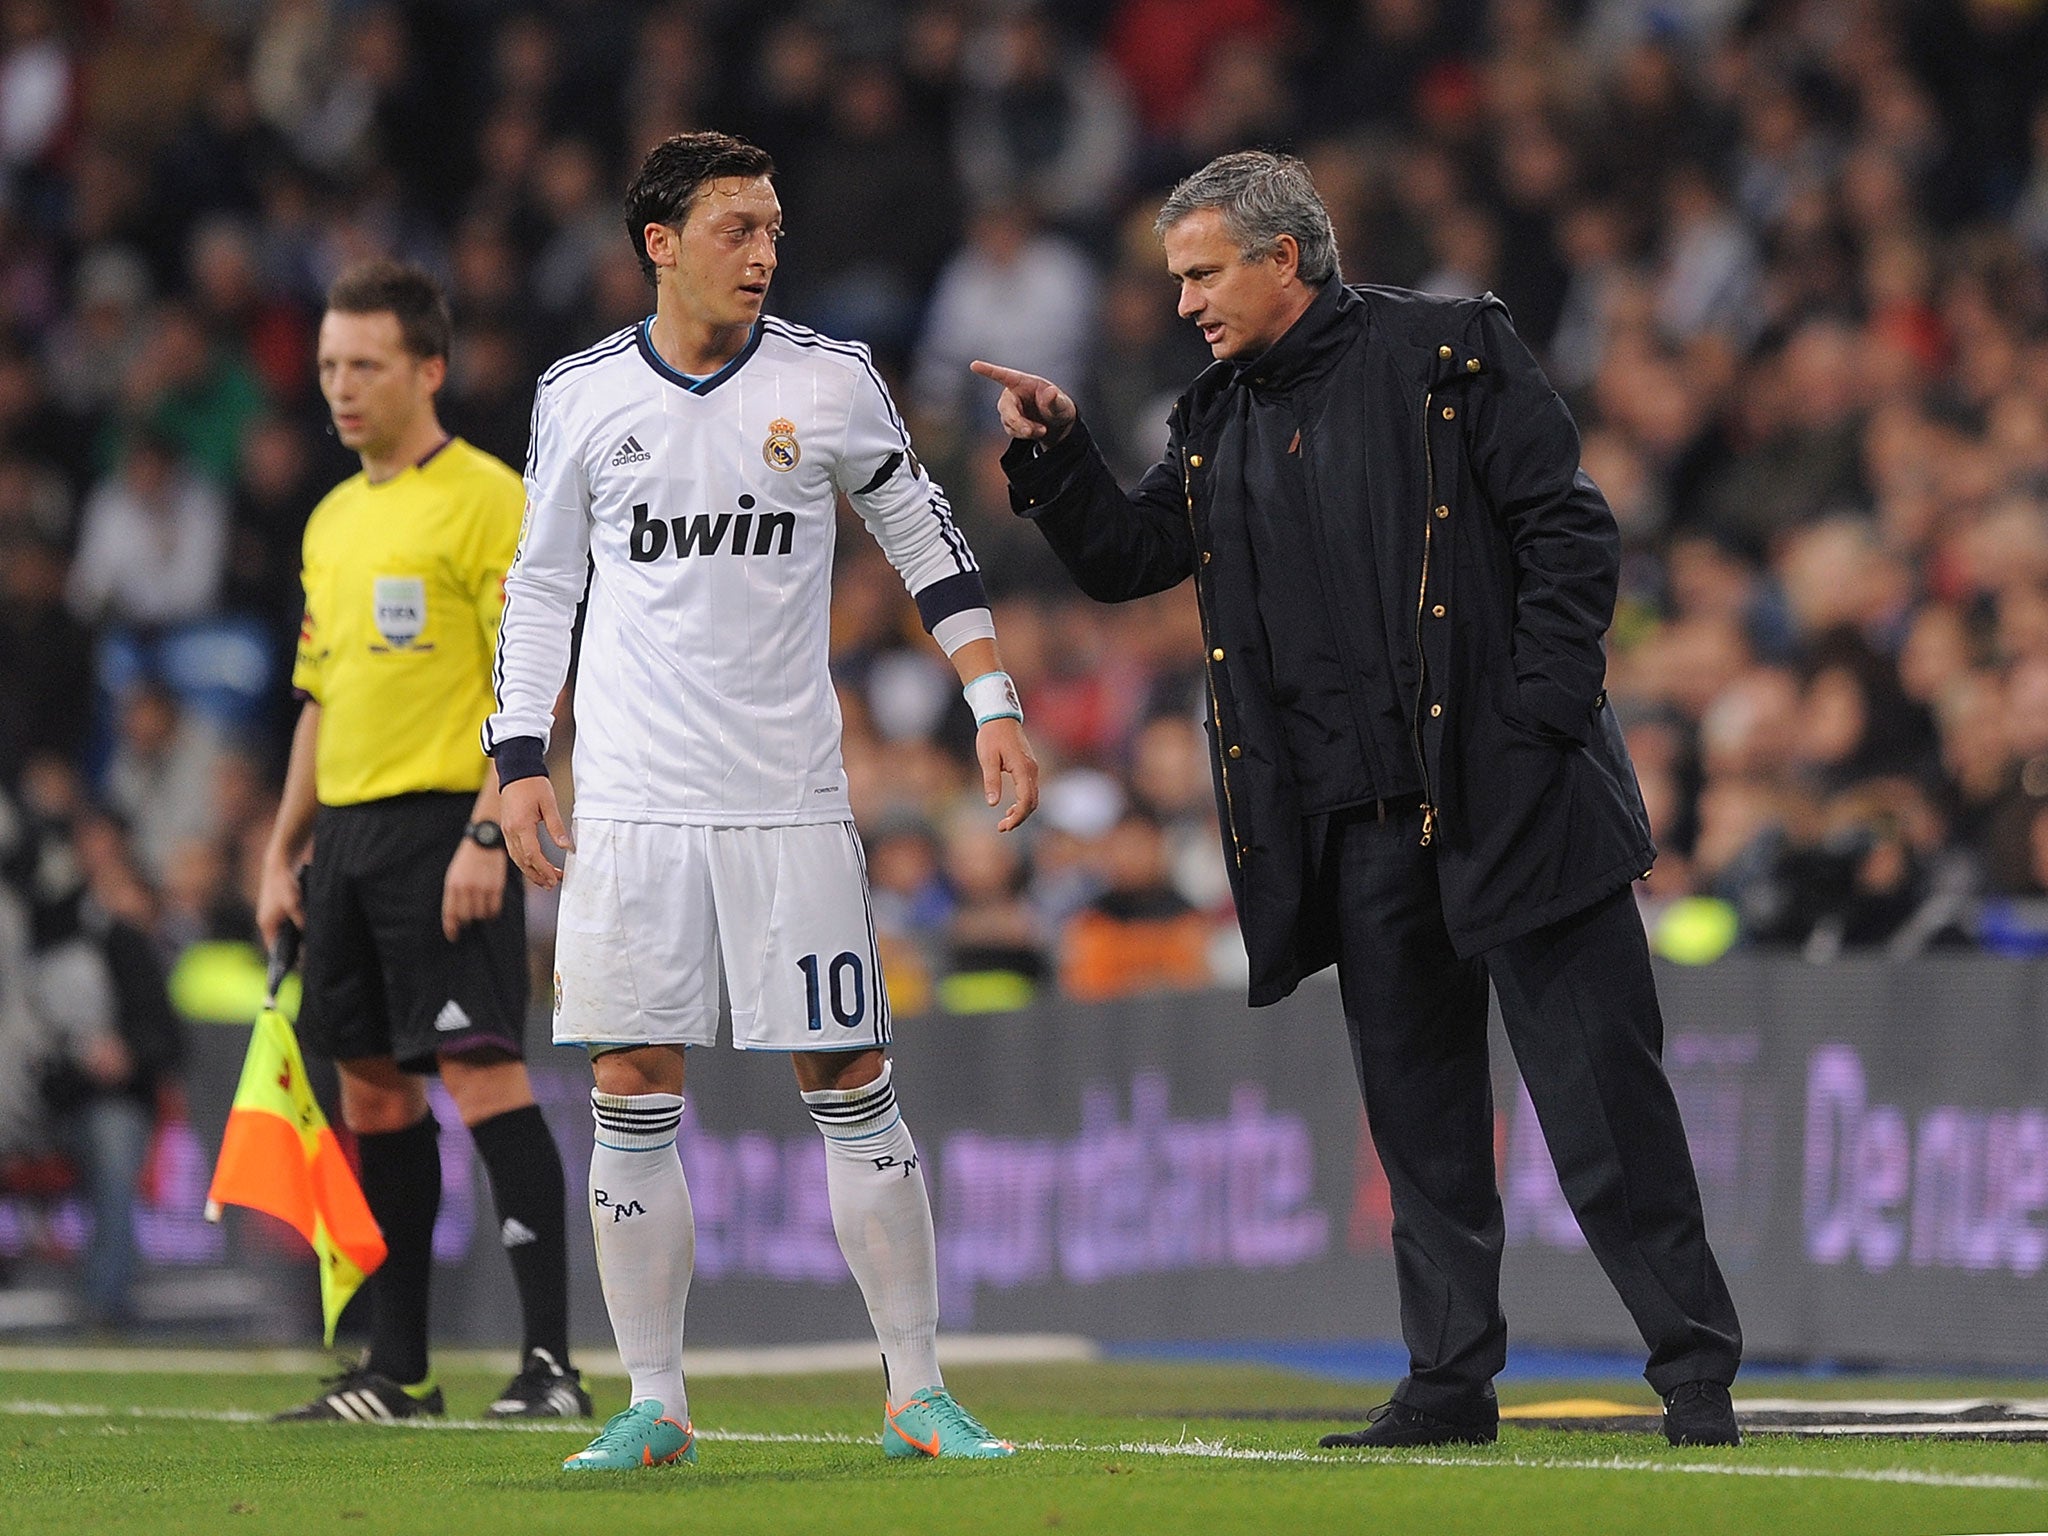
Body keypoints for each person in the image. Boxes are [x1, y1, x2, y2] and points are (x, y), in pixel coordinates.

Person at [974, 150, 1744, 1450]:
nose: (1184, 304)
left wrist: (1537, 723)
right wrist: (1058, 462)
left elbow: (1571, 534)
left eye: (1204, 274)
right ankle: (1447, 1384)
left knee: (1603, 1106)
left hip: (1514, 802)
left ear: (1286, 257)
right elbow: (1130, 556)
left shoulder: (1449, 353)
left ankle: (1695, 1375)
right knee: (1423, 1130)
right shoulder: (1214, 419)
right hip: (1357, 830)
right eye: (1175, 280)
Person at [488, 131, 1040, 1473]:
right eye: (738, 227)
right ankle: (656, 1401)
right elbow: (543, 587)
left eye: (776, 228)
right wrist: (514, 760)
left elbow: (924, 533)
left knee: (851, 1077)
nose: (765, 250)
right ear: (659, 243)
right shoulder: (580, 397)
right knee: (630, 1083)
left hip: (788, 800)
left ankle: (916, 1389)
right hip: (628, 805)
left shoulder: (829, 379)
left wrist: (994, 697)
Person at [255, 259, 589, 1423]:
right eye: (331, 366)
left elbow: (532, 672)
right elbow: (317, 696)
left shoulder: (489, 498)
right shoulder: (332, 517)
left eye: (367, 365)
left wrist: (492, 826)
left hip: (450, 824)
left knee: (483, 1071)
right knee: (372, 1097)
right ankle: (396, 1371)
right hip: (342, 837)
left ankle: (549, 1364)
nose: (342, 388)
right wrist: (279, 849)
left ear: (429, 369)